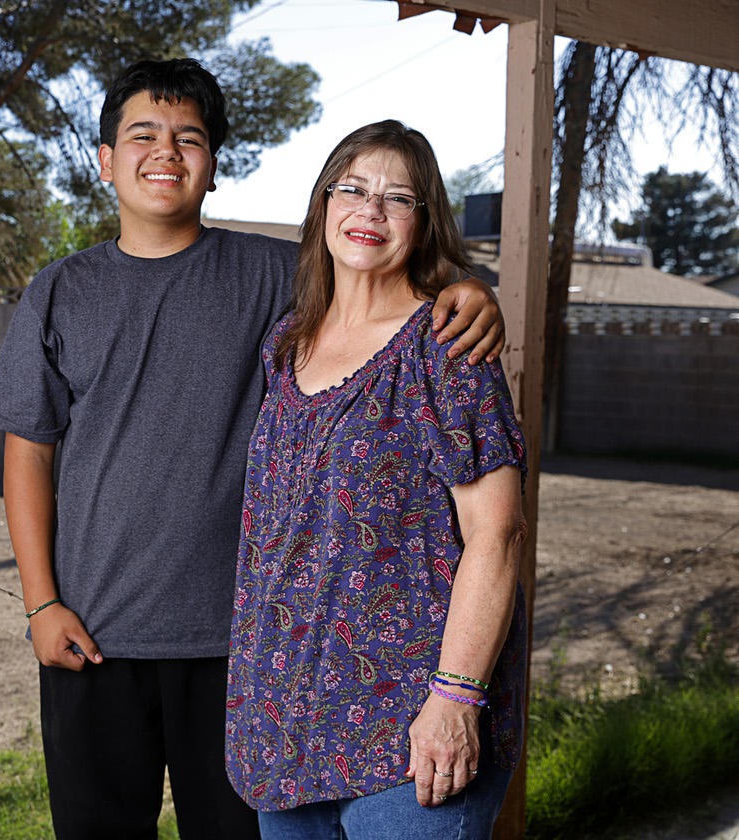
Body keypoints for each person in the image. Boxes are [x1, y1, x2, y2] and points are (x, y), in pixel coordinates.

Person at [0, 60, 506, 840]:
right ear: (104, 160)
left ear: (214, 165)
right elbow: (28, 452)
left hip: (246, 650)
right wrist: (41, 602)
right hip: (92, 636)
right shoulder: (60, 291)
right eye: (142, 135)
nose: (166, 152)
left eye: (189, 138)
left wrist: (471, 286)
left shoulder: (273, 278)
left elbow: (380, 280)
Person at [224, 118, 528, 840]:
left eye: (399, 198)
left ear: (424, 224)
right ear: (323, 203)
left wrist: (456, 701)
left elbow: (499, 532)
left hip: (411, 726)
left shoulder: (448, 344)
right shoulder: (287, 341)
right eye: (353, 189)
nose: (371, 211)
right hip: (285, 721)